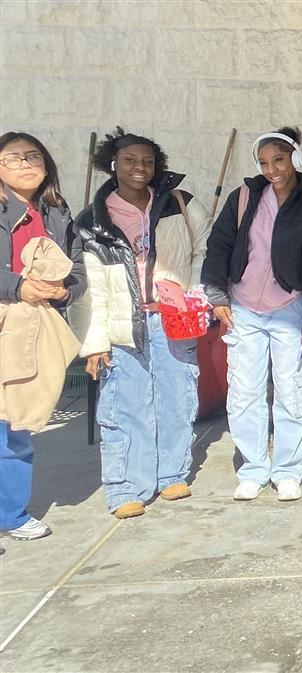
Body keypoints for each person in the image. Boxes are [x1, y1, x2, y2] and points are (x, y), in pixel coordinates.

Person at [70, 129, 211, 518]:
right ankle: (126, 487)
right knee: (123, 406)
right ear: (113, 164)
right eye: (131, 160)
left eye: (148, 161)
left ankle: (171, 475)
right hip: (121, 323)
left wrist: (194, 293)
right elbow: (89, 288)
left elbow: (205, 246)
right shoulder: (93, 220)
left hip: (171, 318)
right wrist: (94, 341)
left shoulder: (179, 204)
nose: (140, 168)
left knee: (177, 398)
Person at [201, 127, 302, 502]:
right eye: (263, 162)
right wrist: (216, 295)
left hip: (289, 307)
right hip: (243, 306)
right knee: (244, 390)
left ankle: (288, 470)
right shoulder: (243, 198)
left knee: (292, 390)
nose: (272, 169)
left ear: (295, 159)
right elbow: (219, 246)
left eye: (279, 159)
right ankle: (254, 468)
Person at [0, 132, 85, 541]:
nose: (25, 164)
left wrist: (65, 290)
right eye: (13, 158)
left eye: (33, 156)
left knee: (17, 422)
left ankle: (11, 515)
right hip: (5, 317)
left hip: (32, 328)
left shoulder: (54, 210)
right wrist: (18, 287)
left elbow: (78, 267)